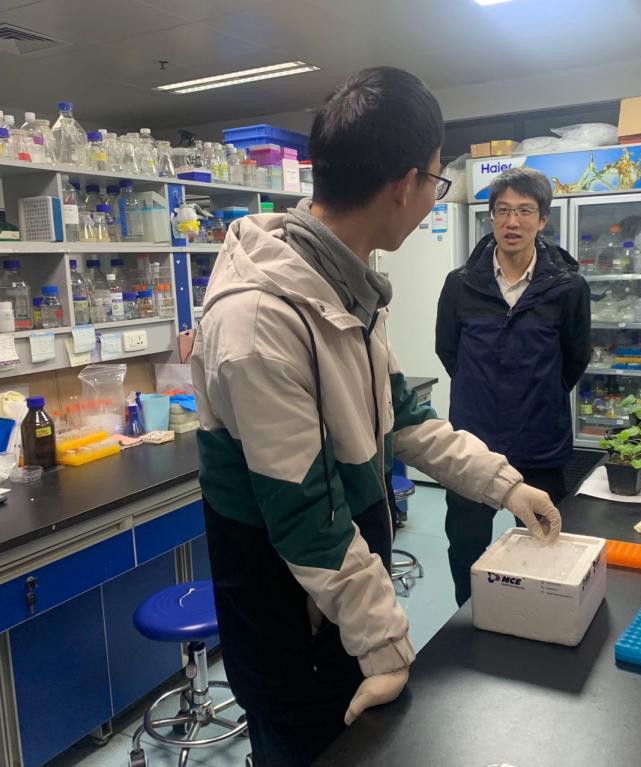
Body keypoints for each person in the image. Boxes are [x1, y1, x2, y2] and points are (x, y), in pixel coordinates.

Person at [191, 68, 562, 767]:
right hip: (290, 621)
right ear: (405, 184)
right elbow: (306, 517)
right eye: (436, 181)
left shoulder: (342, 287)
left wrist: (506, 486)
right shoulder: (260, 320)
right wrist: (387, 643)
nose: (432, 197)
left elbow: (408, 418)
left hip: (342, 608)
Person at [436, 167, 592, 607]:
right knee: (466, 549)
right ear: (491, 217)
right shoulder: (461, 285)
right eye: (503, 211)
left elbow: (575, 358)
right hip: (473, 444)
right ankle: (470, 620)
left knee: (544, 546)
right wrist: (483, 391)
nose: (512, 222)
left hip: (539, 443)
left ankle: (536, 621)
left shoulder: (568, 287)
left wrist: (537, 394)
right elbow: (448, 352)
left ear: (543, 220)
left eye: (525, 211)